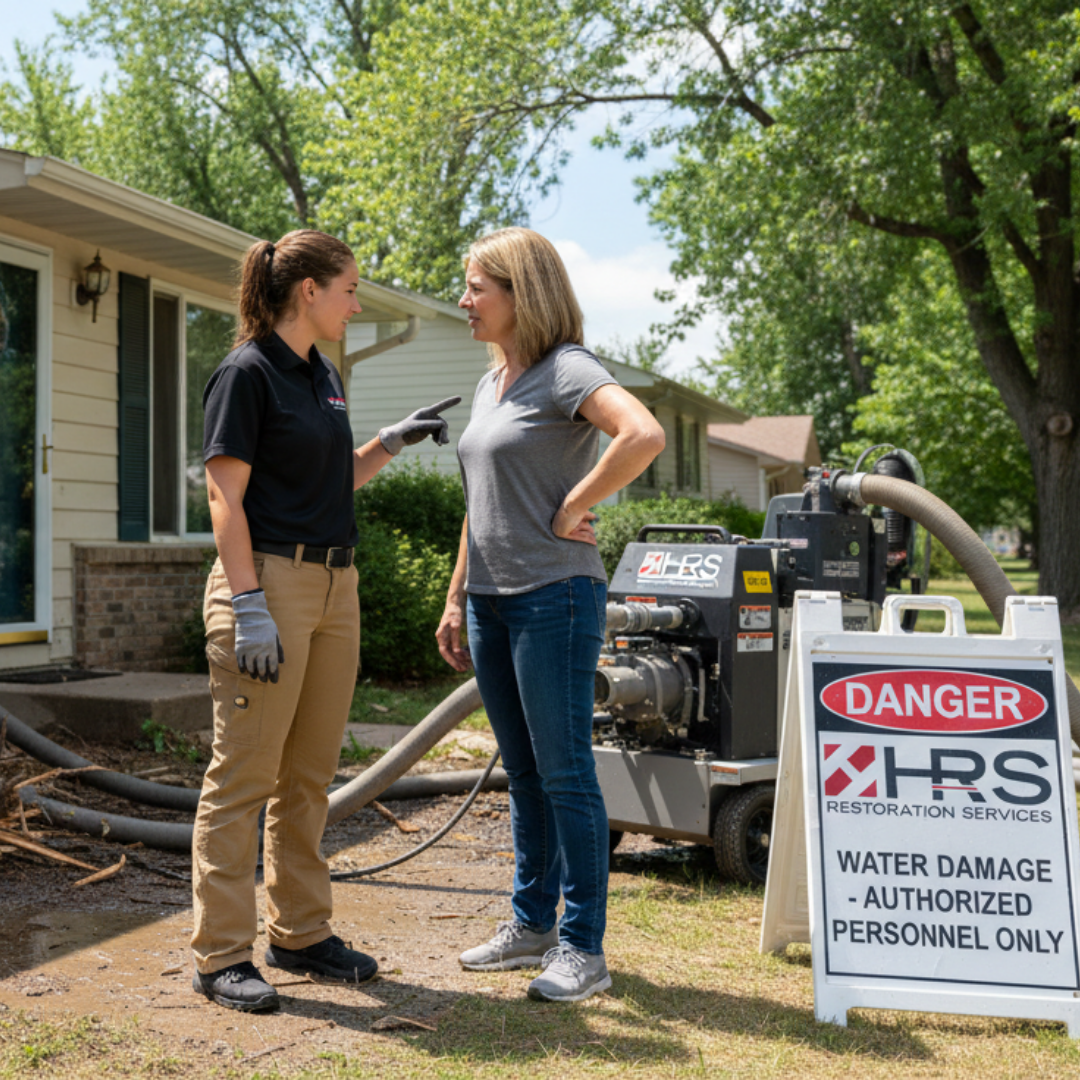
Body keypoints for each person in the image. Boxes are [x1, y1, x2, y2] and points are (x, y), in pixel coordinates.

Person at [191, 228, 459, 1013]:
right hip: (269, 584)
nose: (356, 304)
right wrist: (248, 604)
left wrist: (390, 441)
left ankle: (300, 933)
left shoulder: (322, 376)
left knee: (308, 776)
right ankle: (220, 956)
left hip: (336, 586)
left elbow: (330, 479)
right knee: (244, 776)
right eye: (349, 289)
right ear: (308, 291)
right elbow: (224, 498)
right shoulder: (247, 372)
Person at [436, 227, 665, 1003]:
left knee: (565, 771)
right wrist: (456, 594)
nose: (464, 301)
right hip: (491, 601)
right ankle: (531, 925)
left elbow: (643, 434)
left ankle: (583, 949)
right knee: (523, 771)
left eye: (477, 288)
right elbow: (479, 501)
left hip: (554, 597)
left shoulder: (567, 368)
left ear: (521, 293)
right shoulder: (491, 381)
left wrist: (575, 503)